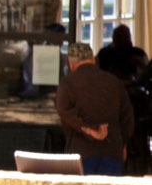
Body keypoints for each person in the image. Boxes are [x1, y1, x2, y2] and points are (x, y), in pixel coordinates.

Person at [57, 41, 135, 176]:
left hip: (81, 152)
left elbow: (65, 112)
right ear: (93, 60)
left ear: (71, 64)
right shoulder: (114, 81)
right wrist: (123, 143)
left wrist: (89, 129)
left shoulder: (67, 83)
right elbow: (127, 117)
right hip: (112, 151)